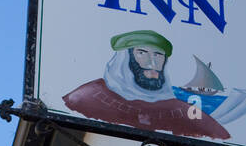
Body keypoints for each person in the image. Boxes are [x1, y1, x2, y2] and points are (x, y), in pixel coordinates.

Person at [62, 29, 229, 139]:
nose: (152, 62)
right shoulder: (86, 97)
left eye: (158, 55)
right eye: (142, 53)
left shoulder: (181, 109)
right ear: (124, 59)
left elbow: (218, 135)